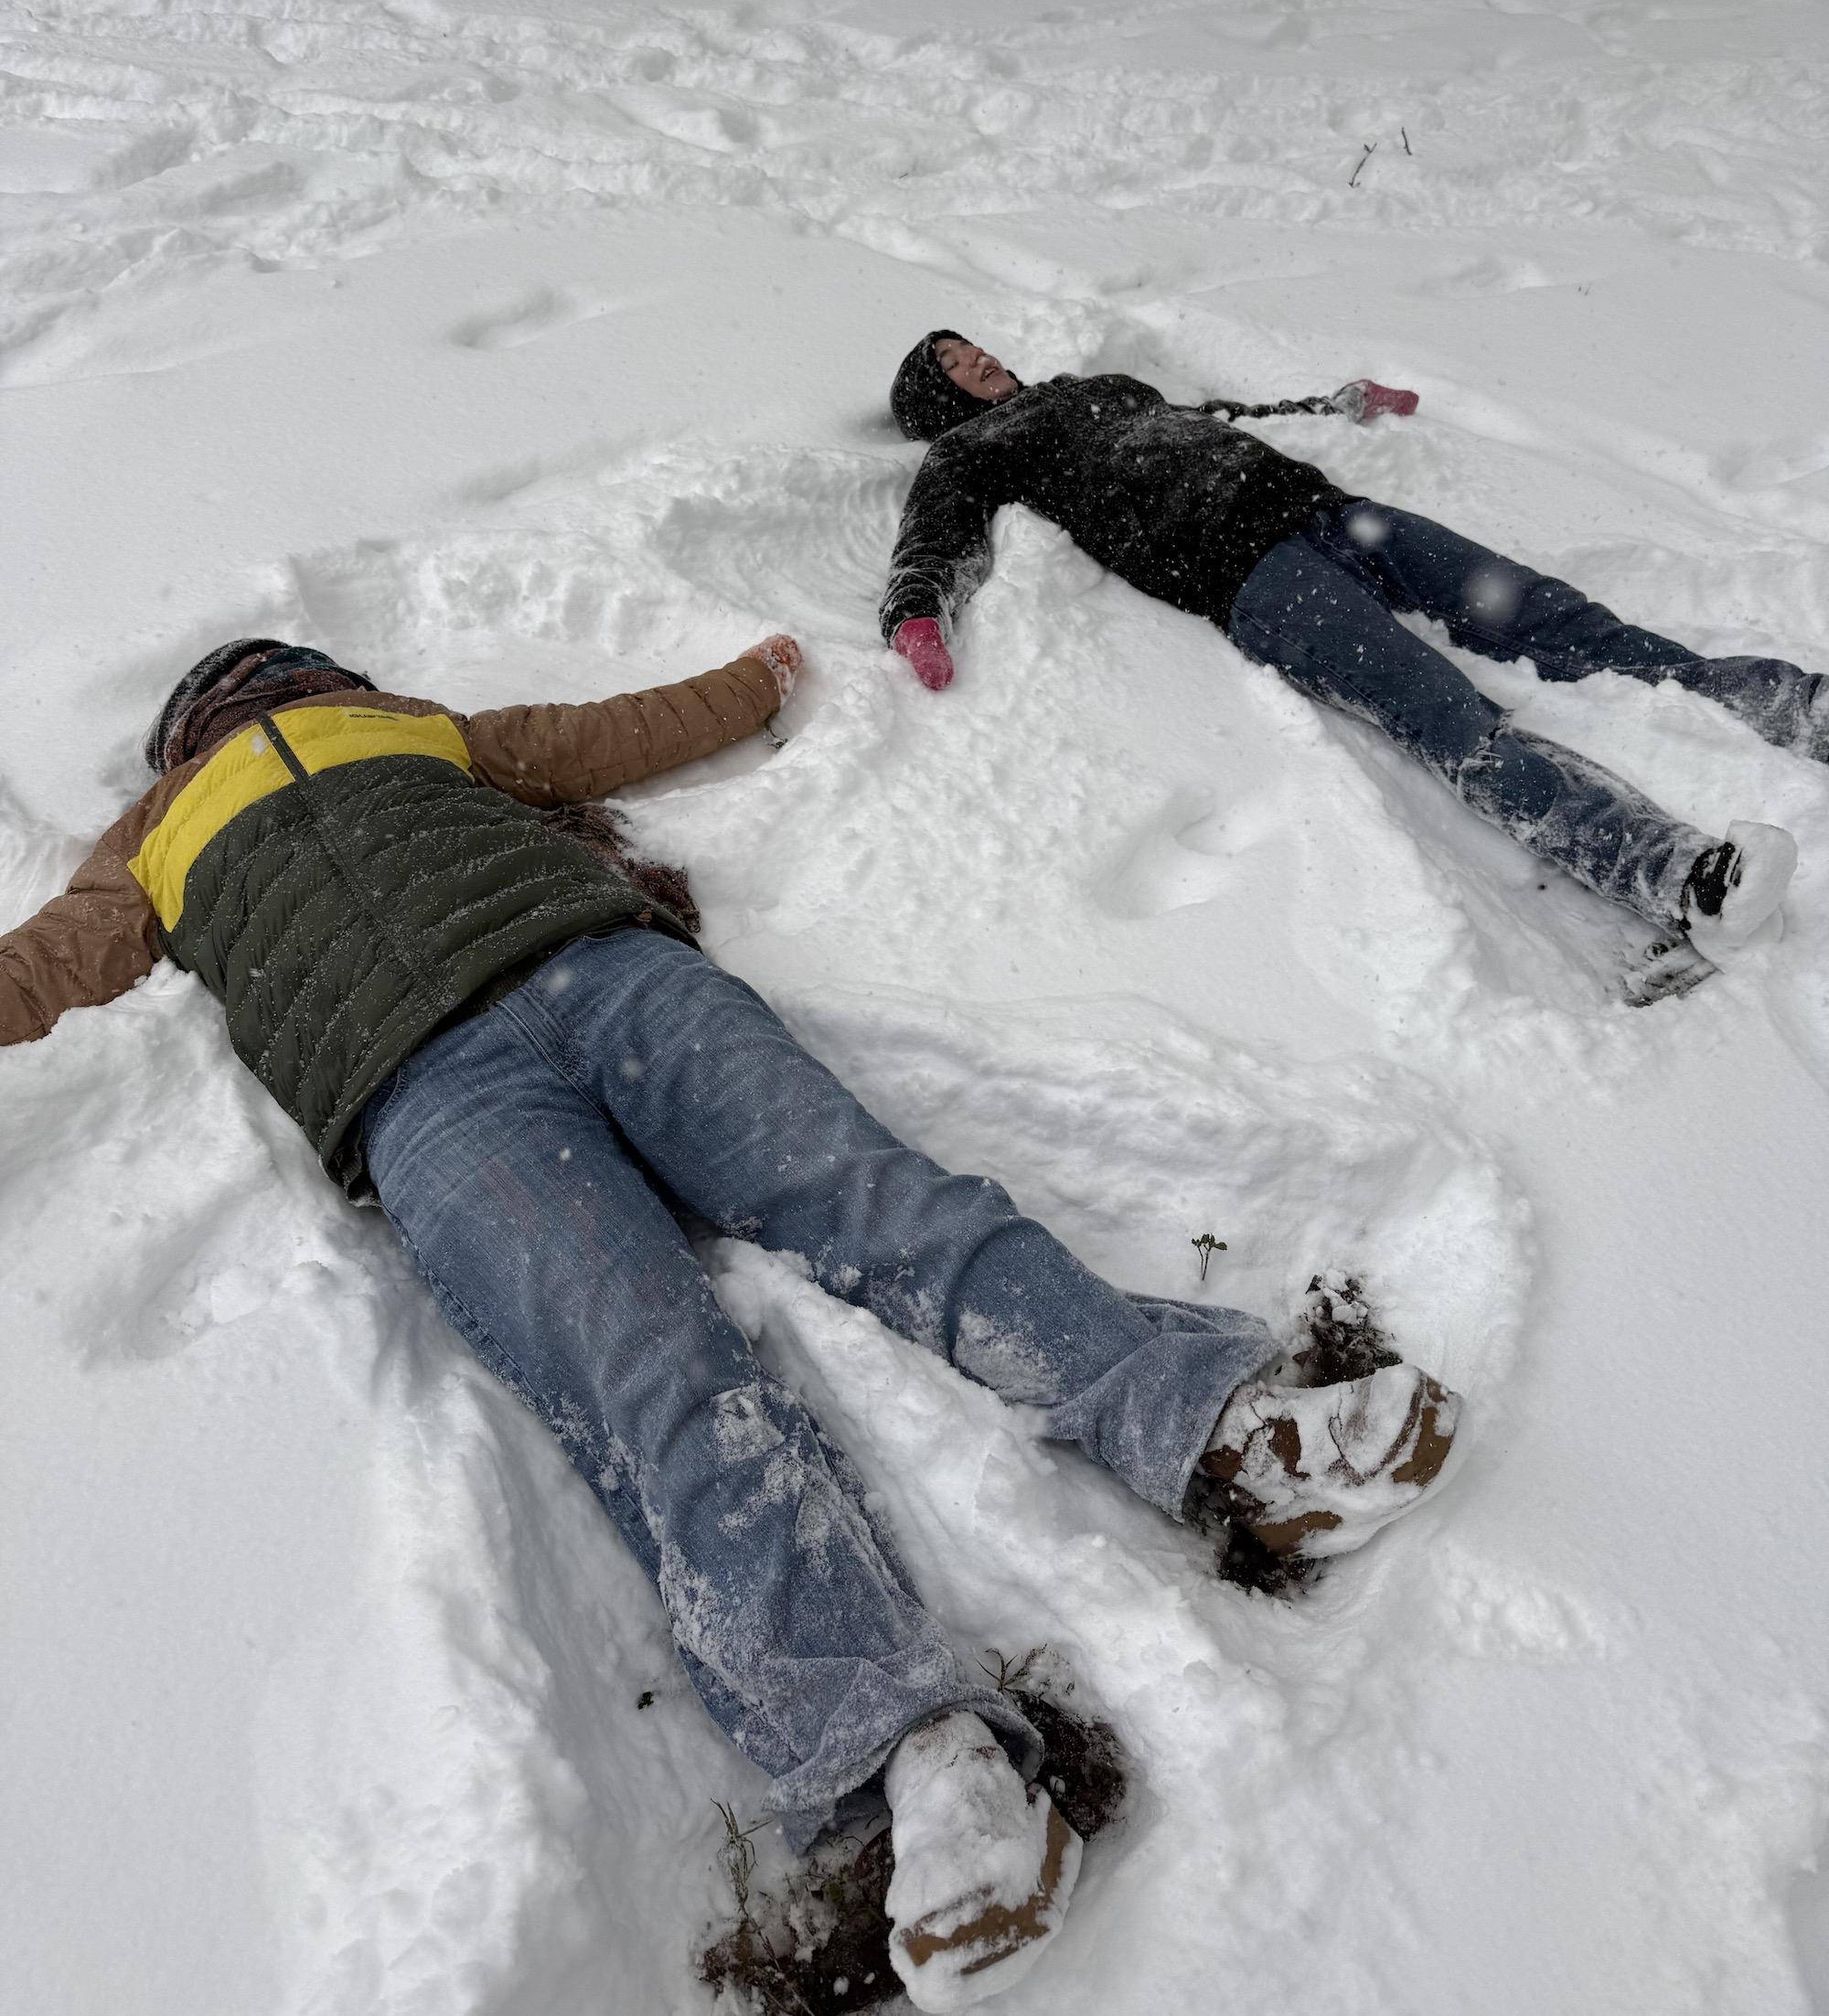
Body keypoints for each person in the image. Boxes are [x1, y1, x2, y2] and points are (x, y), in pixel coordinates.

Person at [0, 635, 1461, 2011]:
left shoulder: (406, 728)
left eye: (285, 672)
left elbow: (599, 737)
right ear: (185, 737)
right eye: (243, 686)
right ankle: (916, 1757)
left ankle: (1227, 1429)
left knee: (885, 1203)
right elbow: (47, 966)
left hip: (604, 968)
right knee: (659, 1390)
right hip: (427, 1096)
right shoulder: (147, 844)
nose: (270, 692)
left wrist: (750, 679)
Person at [882, 331, 1823, 977]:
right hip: (1247, 574)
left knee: (1548, 616)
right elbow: (932, 540)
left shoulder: (1101, 389)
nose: (977, 359)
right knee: (1448, 717)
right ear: (939, 400)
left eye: (971, 345)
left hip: (1323, 511)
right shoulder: (968, 451)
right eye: (954, 365)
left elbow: (1211, 411)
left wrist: (1326, 403)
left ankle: (1792, 706)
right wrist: (915, 615)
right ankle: (1678, 879)